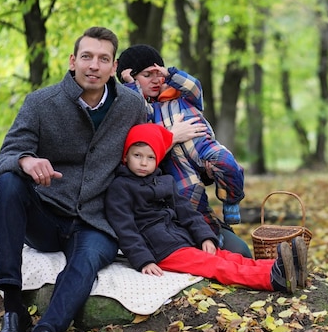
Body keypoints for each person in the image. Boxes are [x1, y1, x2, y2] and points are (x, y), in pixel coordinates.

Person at [0, 27, 206, 332]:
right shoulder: (40, 103)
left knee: (86, 261)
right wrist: (27, 160)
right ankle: (13, 310)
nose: (94, 65)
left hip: (97, 220)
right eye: (87, 56)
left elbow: (147, 151)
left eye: (103, 59)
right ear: (73, 61)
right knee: (9, 182)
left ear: (114, 66)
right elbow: (3, 158)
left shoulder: (132, 105)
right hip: (46, 213)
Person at [105, 123, 308, 293]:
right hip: (162, 250)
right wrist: (144, 260)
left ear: (158, 159)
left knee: (228, 256)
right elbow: (126, 230)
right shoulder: (120, 188)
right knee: (217, 266)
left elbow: (187, 212)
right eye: (137, 155)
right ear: (125, 157)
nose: (143, 162)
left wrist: (205, 237)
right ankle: (272, 278)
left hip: (183, 240)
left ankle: (287, 267)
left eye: (150, 157)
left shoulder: (165, 181)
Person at [116, 45, 251, 257]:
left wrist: (207, 171)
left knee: (241, 251)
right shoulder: (137, 113)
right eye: (146, 75)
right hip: (159, 211)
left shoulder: (179, 97)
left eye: (157, 73)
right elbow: (139, 154)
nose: (155, 80)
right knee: (189, 198)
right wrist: (171, 136)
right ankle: (208, 237)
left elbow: (194, 87)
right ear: (130, 79)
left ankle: (222, 216)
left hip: (195, 159)